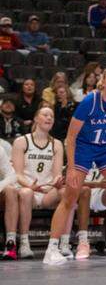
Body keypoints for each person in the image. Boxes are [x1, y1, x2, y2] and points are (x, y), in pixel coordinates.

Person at [43, 66, 106, 265]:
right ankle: (52, 248)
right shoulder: (89, 102)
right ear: (103, 80)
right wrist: (73, 167)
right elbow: (71, 136)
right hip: (83, 147)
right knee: (70, 197)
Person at [7, 106, 64, 259]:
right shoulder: (21, 141)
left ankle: (63, 243)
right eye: (45, 115)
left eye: (51, 116)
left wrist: (55, 183)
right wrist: (30, 186)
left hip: (46, 192)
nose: (49, 118)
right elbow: (16, 173)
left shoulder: (57, 144)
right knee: (26, 193)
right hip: (27, 189)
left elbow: (57, 173)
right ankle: (24, 243)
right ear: (36, 119)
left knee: (66, 191)